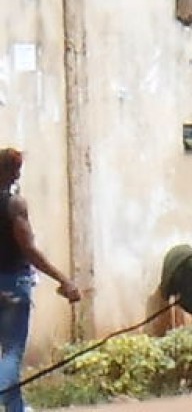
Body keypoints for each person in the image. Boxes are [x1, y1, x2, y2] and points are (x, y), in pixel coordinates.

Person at [0, 148, 81, 412]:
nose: (17, 176)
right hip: (13, 284)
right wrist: (64, 280)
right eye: (15, 171)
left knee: (8, 356)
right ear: (9, 172)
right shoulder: (14, 205)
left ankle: (16, 409)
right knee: (11, 353)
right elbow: (29, 250)